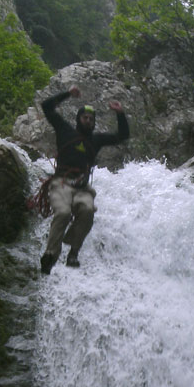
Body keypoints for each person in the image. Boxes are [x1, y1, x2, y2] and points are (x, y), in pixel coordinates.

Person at [38, 85, 129, 274]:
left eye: (91, 119)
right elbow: (46, 106)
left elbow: (122, 136)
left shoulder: (96, 140)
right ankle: (50, 255)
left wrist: (120, 113)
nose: (88, 121)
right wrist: (68, 94)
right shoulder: (64, 130)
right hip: (61, 183)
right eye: (84, 117)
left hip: (82, 188)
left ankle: (74, 252)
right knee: (62, 213)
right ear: (78, 119)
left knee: (88, 210)